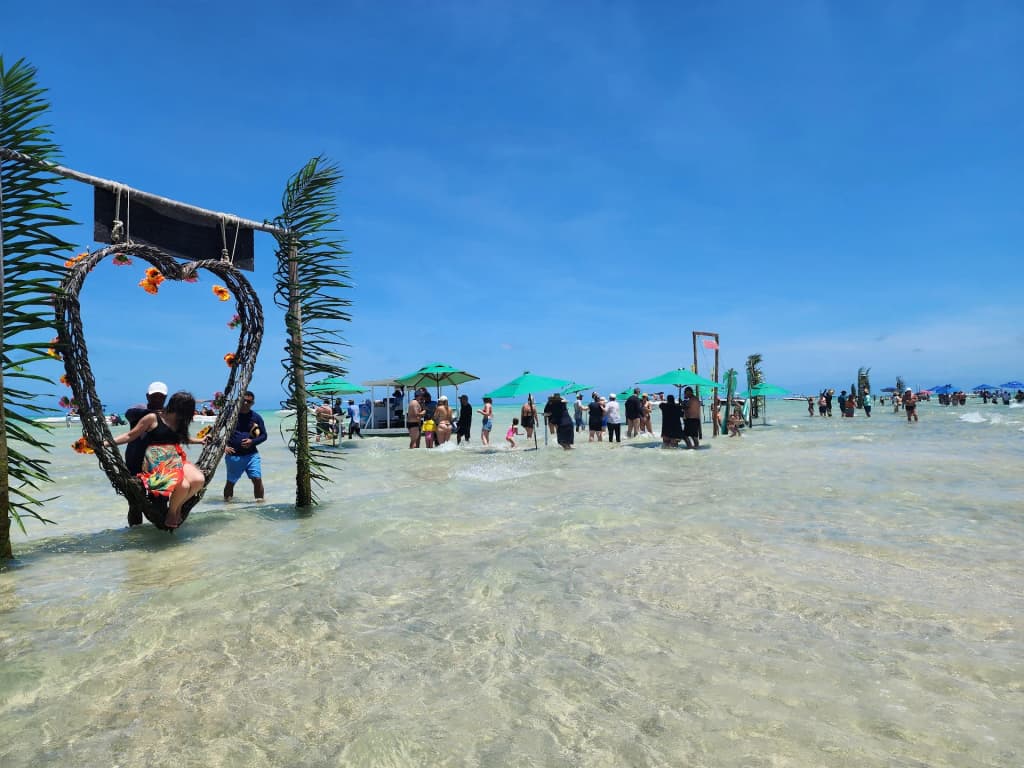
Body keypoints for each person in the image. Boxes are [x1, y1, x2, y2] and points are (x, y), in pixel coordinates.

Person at [112, 390, 207, 529]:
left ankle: (178, 505)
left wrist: (200, 441)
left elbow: (181, 438)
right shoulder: (152, 418)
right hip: (156, 461)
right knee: (184, 486)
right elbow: (130, 436)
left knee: (199, 480)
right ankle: (172, 512)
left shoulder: (180, 421)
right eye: (188, 410)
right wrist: (105, 443)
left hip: (175, 457)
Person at [223, 391, 267, 503]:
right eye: (244, 400)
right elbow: (214, 432)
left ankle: (260, 504)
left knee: (257, 479)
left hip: (252, 455)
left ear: (253, 403)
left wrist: (252, 441)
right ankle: (227, 506)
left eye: (249, 401)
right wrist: (223, 447)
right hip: (234, 455)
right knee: (231, 482)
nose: (246, 403)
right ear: (239, 401)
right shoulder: (230, 415)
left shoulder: (256, 417)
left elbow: (264, 435)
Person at [124, 381, 168, 475]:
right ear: (147, 396)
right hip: (135, 460)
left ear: (165, 397)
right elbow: (129, 414)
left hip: (158, 463)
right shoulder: (139, 408)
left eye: (160, 396)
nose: (157, 399)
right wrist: (154, 413)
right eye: (154, 396)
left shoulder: (168, 415)